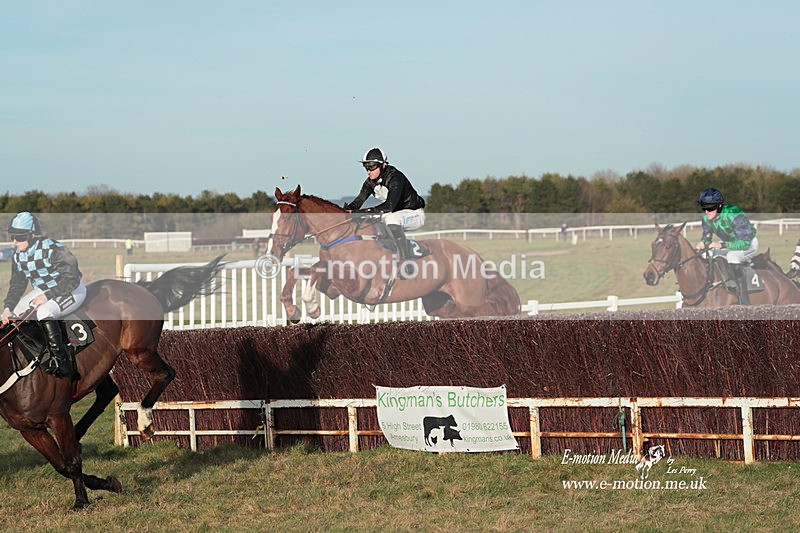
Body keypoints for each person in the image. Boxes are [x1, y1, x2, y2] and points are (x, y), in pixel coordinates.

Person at [1, 212, 86, 378]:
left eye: (19, 237)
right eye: (13, 236)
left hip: (71, 289)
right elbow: (17, 285)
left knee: (44, 312)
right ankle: (42, 353)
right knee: (15, 315)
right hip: (45, 290)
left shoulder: (54, 249)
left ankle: (61, 361)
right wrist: (7, 307)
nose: (14, 241)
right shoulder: (18, 255)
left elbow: (72, 279)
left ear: (32, 235)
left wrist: (48, 296)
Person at [343, 147, 426, 264]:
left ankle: (405, 260)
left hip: (414, 214)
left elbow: (389, 206)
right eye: (366, 167)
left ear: (383, 165)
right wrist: (345, 211)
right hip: (394, 213)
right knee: (370, 223)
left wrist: (363, 212)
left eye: (371, 167)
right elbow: (358, 201)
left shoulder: (396, 178)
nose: (368, 171)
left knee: (391, 219)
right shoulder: (369, 182)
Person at [694, 188, 758, 305]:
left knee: (732, 256)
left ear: (719, 206)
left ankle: (744, 299)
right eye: (704, 208)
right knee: (705, 255)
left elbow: (744, 243)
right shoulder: (706, 218)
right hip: (730, 245)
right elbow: (707, 238)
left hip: (748, 244)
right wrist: (703, 243)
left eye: (710, 208)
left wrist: (722, 244)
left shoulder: (734, 213)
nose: (706, 212)